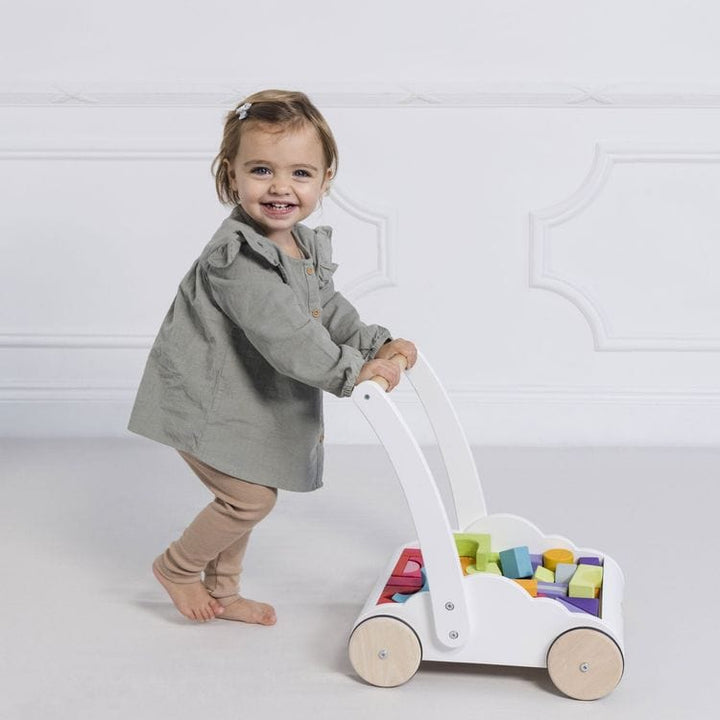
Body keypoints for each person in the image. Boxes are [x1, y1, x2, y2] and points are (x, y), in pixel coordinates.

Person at [128, 89, 417, 625]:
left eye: (300, 174)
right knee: (249, 499)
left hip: (243, 403)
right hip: (204, 401)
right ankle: (178, 568)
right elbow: (287, 335)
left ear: (325, 179)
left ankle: (223, 591)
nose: (281, 187)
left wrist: (374, 343)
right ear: (231, 175)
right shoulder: (237, 258)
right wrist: (353, 371)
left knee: (248, 492)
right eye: (261, 170)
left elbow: (326, 309)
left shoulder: (299, 244)